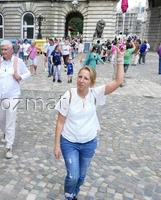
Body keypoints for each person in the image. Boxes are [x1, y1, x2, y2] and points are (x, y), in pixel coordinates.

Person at [54, 45, 126, 200]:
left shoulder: (96, 94)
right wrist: (56, 145)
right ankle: (69, 195)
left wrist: (120, 58)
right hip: (69, 142)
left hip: (89, 143)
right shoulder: (68, 95)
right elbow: (60, 122)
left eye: (86, 78)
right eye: (80, 76)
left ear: (91, 82)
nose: (81, 80)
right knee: (73, 176)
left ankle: (74, 193)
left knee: (81, 177)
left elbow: (119, 80)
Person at [0, 40, 31, 159]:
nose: (3, 52)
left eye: (6, 49)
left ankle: (9, 146)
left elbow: (28, 73)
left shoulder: (18, 61)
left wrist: (20, 77)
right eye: (2, 49)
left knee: (10, 120)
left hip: (13, 95)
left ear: (11, 50)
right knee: (0, 117)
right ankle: (6, 133)